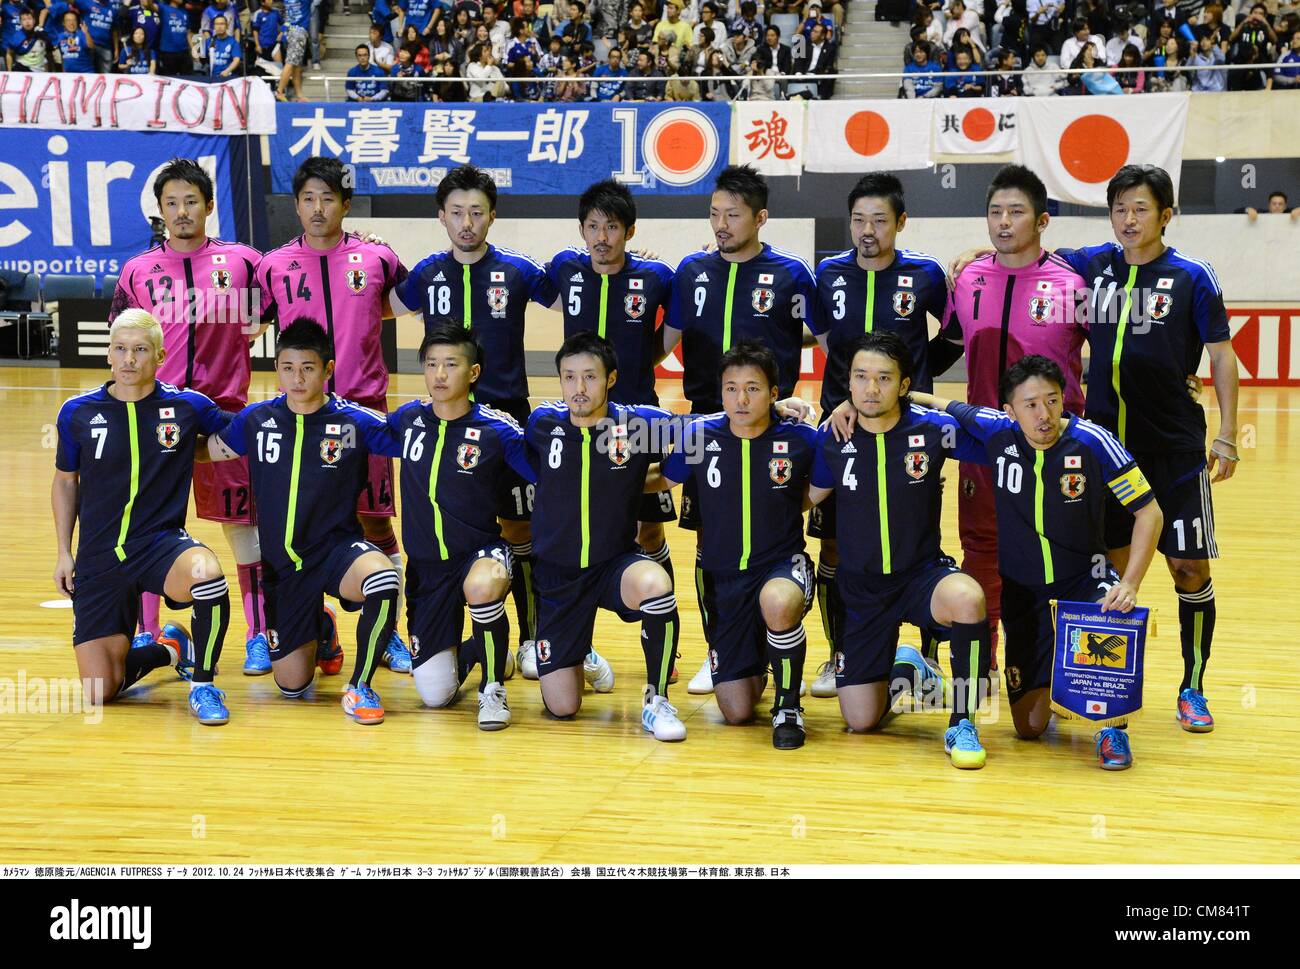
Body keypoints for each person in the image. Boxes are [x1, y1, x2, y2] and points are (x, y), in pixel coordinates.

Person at [909, 356, 1163, 770]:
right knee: (1029, 727)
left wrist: (1130, 582)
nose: (1043, 415)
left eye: (1051, 401)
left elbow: (1149, 513)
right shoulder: (997, 432)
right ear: (1009, 411)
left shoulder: (1093, 441)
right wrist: (857, 402)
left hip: (1085, 583)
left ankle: (1111, 728)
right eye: (1030, 405)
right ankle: (1059, 685)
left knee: (1114, 612)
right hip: (1023, 593)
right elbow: (936, 405)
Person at [1054, 165, 1240, 733]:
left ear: (1166, 214)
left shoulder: (1191, 275)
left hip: (1175, 450)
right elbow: (1032, 255)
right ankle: (1109, 706)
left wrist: (1228, 433)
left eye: (1140, 208)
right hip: (1109, 452)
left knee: (1187, 567)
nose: (1129, 219)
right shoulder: (1095, 264)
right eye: (1119, 209)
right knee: (1109, 577)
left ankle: (1192, 686)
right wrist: (970, 256)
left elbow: (1224, 357)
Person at [108, 160, 274, 674]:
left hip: (225, 416)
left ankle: (259, 634)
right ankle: (147, 633)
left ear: (207, 205)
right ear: (160, 211)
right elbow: (122, 342)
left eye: (191, 202)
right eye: (172, 204)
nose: (182, 212)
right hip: (157, 419)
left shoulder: (244, 262)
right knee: (149, 526)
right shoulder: (137, 271)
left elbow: (277, 303)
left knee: (243, 528)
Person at [390, 166, 556, 675]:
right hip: (444, 425)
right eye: (457, 212)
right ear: (441, 216)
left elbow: (578, 291)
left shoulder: (520, 271)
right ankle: (452, 637)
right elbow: (375, 303)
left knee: (520, 528)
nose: (467, 222)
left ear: (492, 215)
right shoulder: (425, 274)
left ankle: (531, 637)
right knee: (450, 523)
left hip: (507, 423)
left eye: (477, 212)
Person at [663, 165, 823, 695]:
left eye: (733, 215)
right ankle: (721, 650)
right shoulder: (691, 272)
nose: (721, 224)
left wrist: (816, 402)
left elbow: (831, 340)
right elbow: (661, 342)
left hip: (772, 428)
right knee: (712, 542)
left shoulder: (792, 274)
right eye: (714, 214)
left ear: (760, 217)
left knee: (778, 528)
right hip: (710, 430)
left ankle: (786, 648)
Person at [256, 157, 413, 674]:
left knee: (375, 520)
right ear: (296, 205)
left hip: (363, 416)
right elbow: (243, 325)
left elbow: (396, 305)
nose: (318, 208)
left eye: (328, 198)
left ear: (346, 204)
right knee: (299, 525)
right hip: (299, 418)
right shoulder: (273, 266)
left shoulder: (376, 257)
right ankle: (308, 624)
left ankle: (388, 633)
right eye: (308, 198)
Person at [203, 320, 402, 725]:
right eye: (288, 367)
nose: (297, 377)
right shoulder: (256, 420)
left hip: (336, 552)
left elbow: (408, 442)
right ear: (276, 368)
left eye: (308, 368)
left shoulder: (355, 422)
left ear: (328, 369)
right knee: (293, 686)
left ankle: (360, 684)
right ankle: (322, 627)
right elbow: (205, 451)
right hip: (283, 567)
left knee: (383, 579)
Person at [934, 166, 1090, 670]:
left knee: (1060, 553)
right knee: (981, 549)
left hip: (1054, 445)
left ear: (1043, 220)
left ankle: (1067, 669)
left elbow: (1113, 355)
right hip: (982, 443)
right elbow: (946, 347)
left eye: (1017, 212)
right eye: (995, 212)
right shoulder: (968, 278)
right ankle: (986, 661)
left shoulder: (1070, 285)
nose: (1004, 222)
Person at [815, 333, 992, 766]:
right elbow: (803, 493)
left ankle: (962, 721)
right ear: (848, 383)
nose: (871, 389)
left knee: (968, 598)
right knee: (861, 721)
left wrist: (943, 403)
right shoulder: (833, 436)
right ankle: (909, 668)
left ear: (904, 384)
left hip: (921, 577)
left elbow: (999, 439)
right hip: (862, 591)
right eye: (861, 378)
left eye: (883, 378)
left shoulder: (931, 430)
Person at [53, 310, 234, 725]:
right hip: (100, 556)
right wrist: (64, 553)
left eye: (140, 350)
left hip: (161, 546)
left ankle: (203, 684)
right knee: (100, 691)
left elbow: (239, 433)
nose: (129, 359)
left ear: (160, 356)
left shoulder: (187, 406)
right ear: (108, 356)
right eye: (120, 349)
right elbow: (65, 482)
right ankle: (171, 648)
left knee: (207, 573)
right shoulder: (78, 412)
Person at [810, 174, 949, 696]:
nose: (868, 231)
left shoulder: (925, 275)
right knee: (836, 546)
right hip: (841, 426)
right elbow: (825, 337)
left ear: (900, 222)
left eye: (880, 221)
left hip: (906, 430)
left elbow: (954, 330)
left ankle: (927, 659)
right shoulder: (828, 274)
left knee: (916, 543)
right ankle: (839, 654)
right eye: (859, 220)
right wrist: (853, 395)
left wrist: (907, 390)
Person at [649, 343, 818, 748]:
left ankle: (789, 704)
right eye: (731, 388)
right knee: (736, 712)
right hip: (725, 580)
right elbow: (661, 480)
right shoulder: (699, 435)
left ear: (775, 393)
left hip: (782, 566)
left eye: (753, 389)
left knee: (777, 602)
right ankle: (760, 656)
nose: (741, 399)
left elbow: (821, 488)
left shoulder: (802, 439)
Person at [526, 332, 686, 741]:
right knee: (563, 708)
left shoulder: (637, 424)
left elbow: (701, 433)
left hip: (614, 565)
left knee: (654, 584)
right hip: (558, 577)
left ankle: (657, 698)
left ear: (610, 379)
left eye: (590, 377)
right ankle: (581, 652)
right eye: (569, 377)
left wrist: (654, 481)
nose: (579, 389)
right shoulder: (543, 424)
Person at [545, 180, 678, 643]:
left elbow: (669, 334)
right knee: (575, 530)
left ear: (630, 230)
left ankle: (661, 637)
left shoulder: (657, 276)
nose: (602, 237)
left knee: (650, 533)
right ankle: (566, 638)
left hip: (639, 421)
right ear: (581, 230)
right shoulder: (564, 267)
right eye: (593, 227)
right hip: (579, 422)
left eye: (613, 227)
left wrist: (642, 361)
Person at [383, 323, 535, 728]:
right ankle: (489, 650)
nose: (439, 374)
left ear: (474, 373)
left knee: (483, 587)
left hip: (479, 555)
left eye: (451, 364)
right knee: (436, 697)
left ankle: (492, 690)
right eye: (432, 364)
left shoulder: (497, 429)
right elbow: (362, 433)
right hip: (427, 571)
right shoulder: (408, 419)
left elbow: (545, 473)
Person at [277, 0, 311, 100]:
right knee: (291, 62)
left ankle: (299, 94)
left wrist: (282, 31)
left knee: (297, 65)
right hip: (299, 33)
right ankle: (280, 91)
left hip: (289, 32)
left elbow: (287, 18)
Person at [157, 0, 192, 76]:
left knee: (188, 79)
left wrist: (193, 49)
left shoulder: (184, 12)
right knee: (170, 80)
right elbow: (148, 5)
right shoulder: (163, 8)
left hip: (184, 51)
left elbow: (188, 33)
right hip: (168, 52)